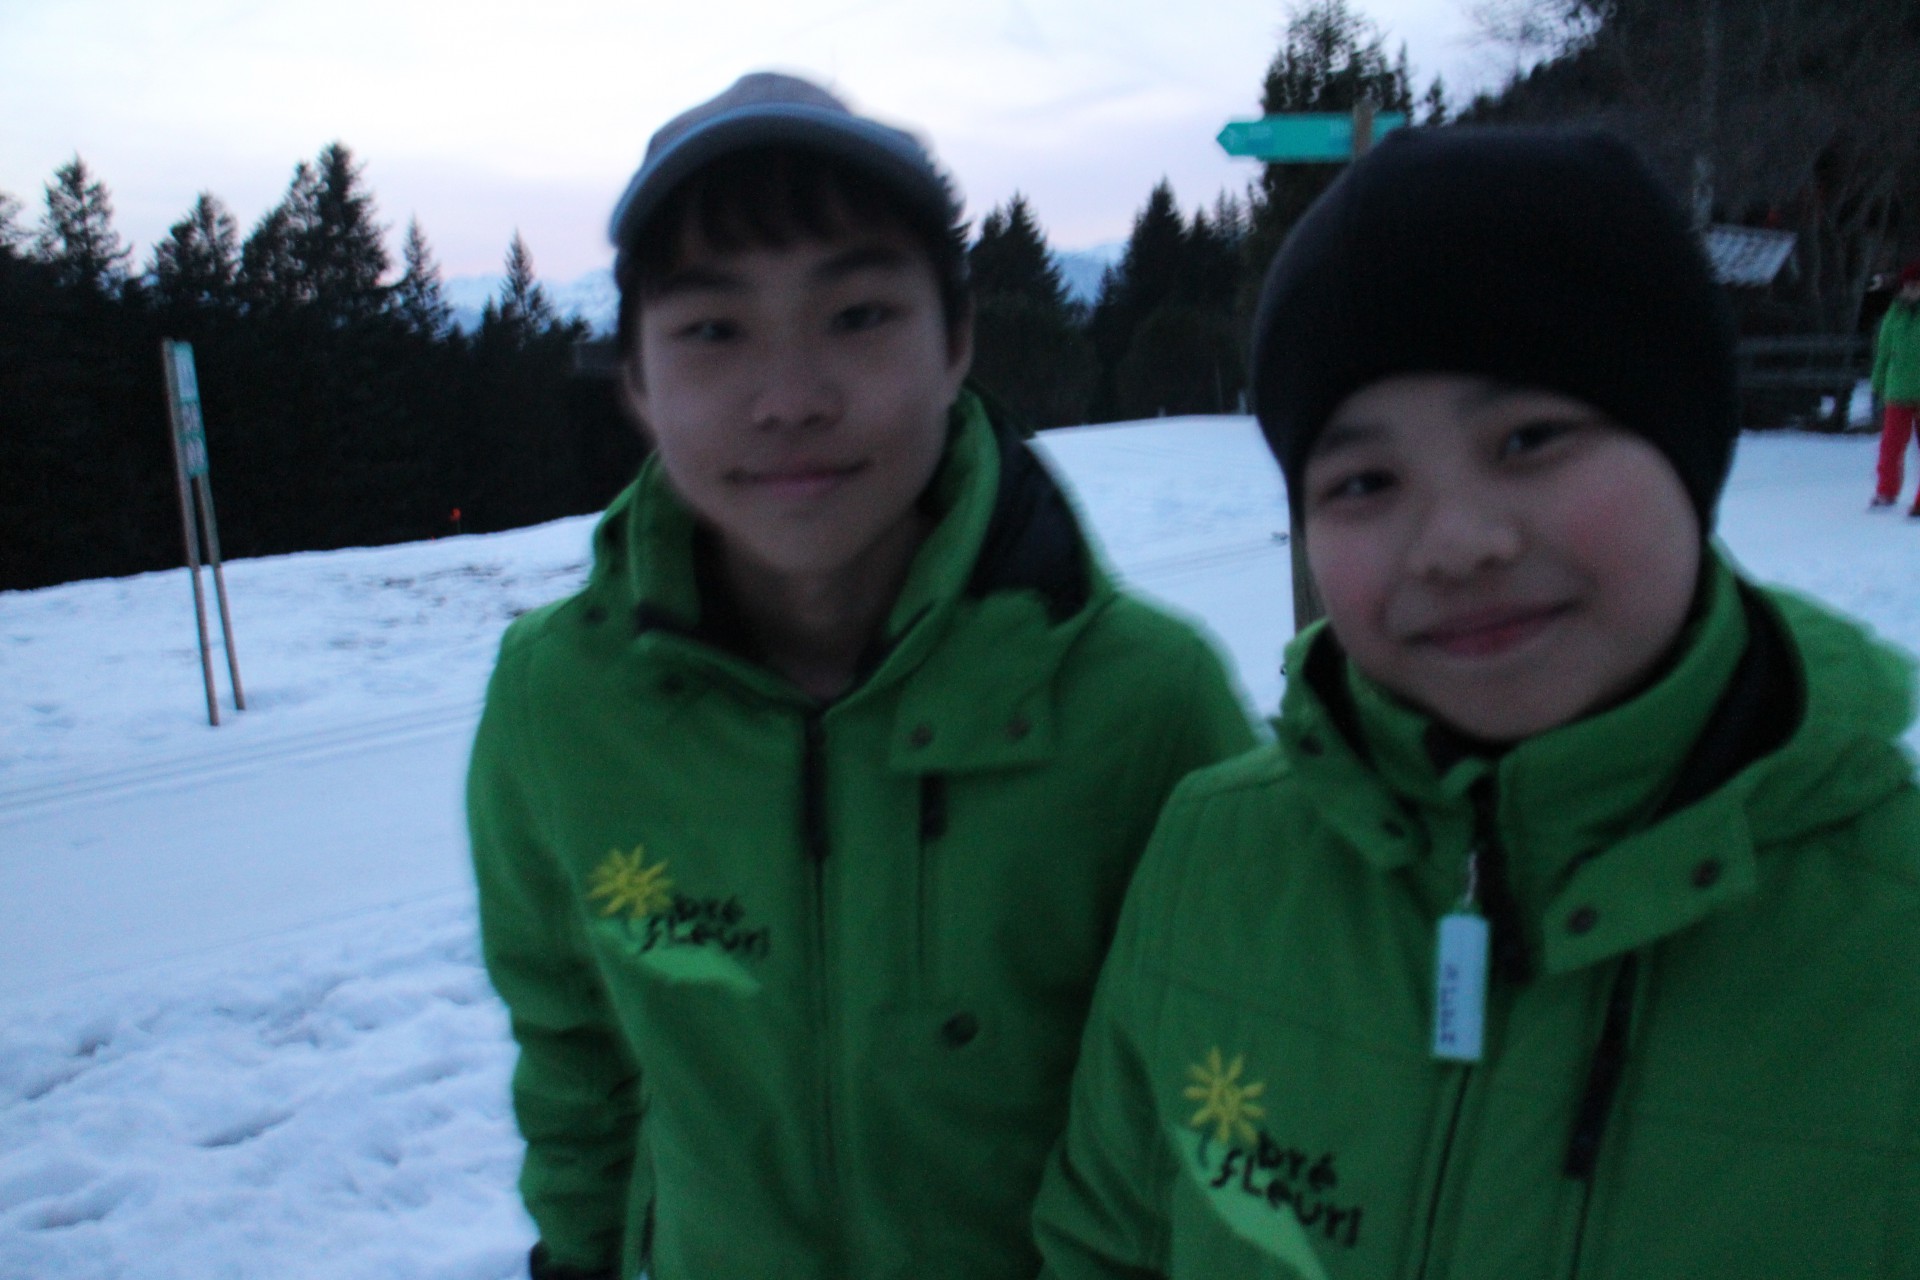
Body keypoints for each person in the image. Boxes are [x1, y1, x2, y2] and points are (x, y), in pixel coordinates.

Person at [1034, 127, 1920, 1279]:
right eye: (1365, 480)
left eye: (1530, 439)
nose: (1457, 542)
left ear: (1687, 446)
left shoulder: (1888, 922)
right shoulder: (1215, 857)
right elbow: (1105, 1241)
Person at [466, 71, 1256, 1280]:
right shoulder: (556, 702)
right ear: (635, 381)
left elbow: (1227, 1103)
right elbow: (573, 1051)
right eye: (713, 330)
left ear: (958, 344)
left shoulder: (1145, 701)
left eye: (858, 315)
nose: (790, 399)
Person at [1870, 262, 1920, 512]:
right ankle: (1886, 491)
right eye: (1907, 286)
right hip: (1897, 391)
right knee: (1890, 447)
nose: (1910, 290)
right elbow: (1884, 352)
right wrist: (1878, 383)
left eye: (1916, 286)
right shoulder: (1895, 313)